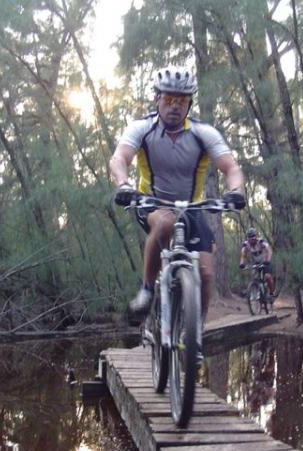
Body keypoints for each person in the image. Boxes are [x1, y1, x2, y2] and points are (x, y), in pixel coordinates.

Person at [110, 65, 245, 319]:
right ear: (157, 99)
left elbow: (231, 167)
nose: (174, 106)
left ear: (189, 103)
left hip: (191, 209)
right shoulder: (142, 128)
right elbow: (119, 158)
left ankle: (197, 332)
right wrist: (123, 185)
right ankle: (147, 291)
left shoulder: (203, 133)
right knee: (164, 223)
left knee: (205, 273)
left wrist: (235, 191)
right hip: (151, 202)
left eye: (181, 100)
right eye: (169, 99)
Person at [239, 227, 275, 296]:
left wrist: (268, 260)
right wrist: (241, 263)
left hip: (265, 261)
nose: (252, 240)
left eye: (253, 238)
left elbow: (269, 250)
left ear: (256, 237)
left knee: (267, 276)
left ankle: (271, 292)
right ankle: (254, 292)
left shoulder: (261, 242)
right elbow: (243, 254)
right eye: (250, 238)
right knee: (253, 277)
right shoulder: (246, 245)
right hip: (256, 263)